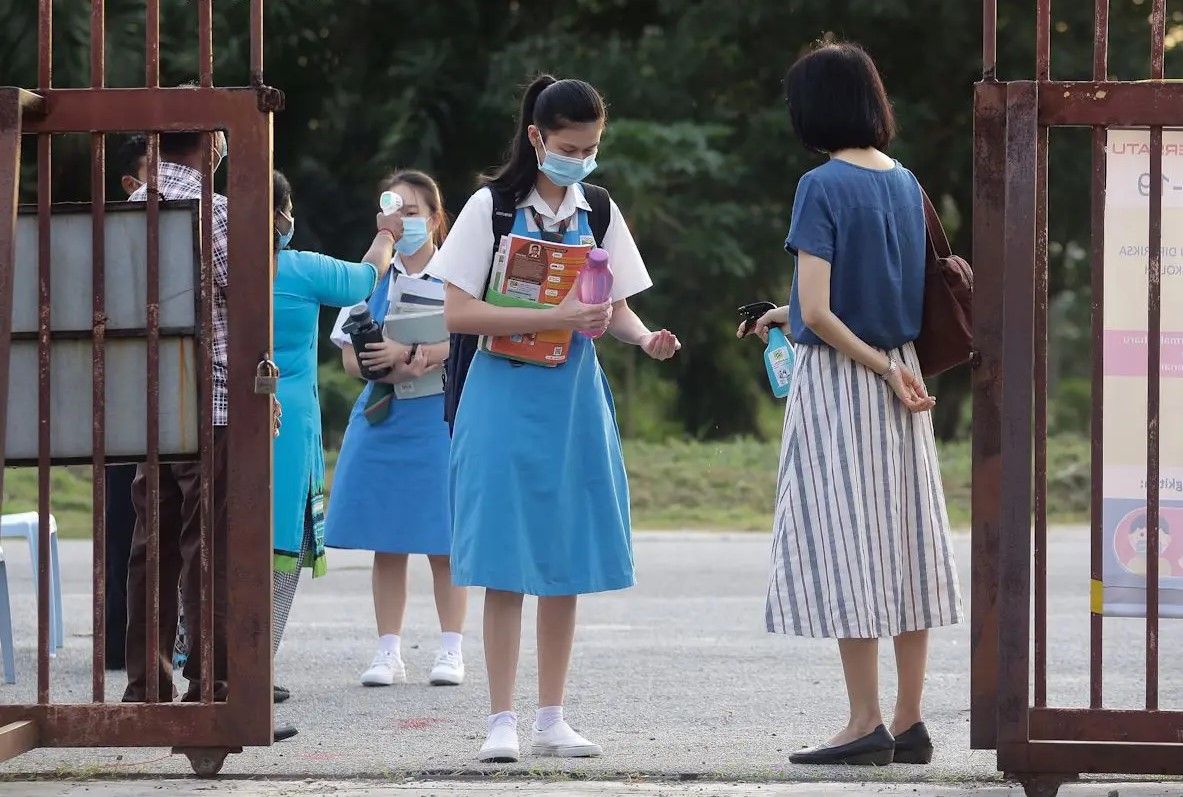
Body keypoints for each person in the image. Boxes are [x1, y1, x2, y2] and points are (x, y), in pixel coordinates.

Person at [429, 75, 680, 763]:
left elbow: (616, 306)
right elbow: (455, 312)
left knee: (564, 558)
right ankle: (500, 718)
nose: (581, 158)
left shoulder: (596, 208)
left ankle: (551, 715)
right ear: (536, 137)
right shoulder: (494, 207)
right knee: (506, 560)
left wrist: (643, 337)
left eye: (592, 146)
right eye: (569, 145)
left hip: (571, 396)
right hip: (503, 393)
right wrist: (555, 316)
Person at [738, 41, 961, 767]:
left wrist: (860, 360)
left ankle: (864, 721)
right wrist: (786, 314)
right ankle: (908, 717)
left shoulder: (820, 185)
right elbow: (846, 296)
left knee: (847, 546)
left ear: (813, 109)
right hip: (904, 376)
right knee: (904, 545)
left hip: (844, 381)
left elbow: (824, 313)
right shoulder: (904, 182)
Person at [270, 169, 402, 739]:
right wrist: (387, 233)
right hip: (287, 415)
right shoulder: (297, 268)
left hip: (216, 413)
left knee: (216, 538)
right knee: (279, 545)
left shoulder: (210, 264)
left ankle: (201, 659)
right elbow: (365, 278)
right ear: (279, 216)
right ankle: (250, 663)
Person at [325, 170, 467, 690]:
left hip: (438, 417)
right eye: (395, 210)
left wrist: (420, 354)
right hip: (383, 415)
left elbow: (471, 337)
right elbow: (347, 359)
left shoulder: (458, 277)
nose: (405, 221)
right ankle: (388, 651)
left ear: (435, 219)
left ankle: (451, 649)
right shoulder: (369, 276)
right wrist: (377, 359)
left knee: (443, 538)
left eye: (414, 211)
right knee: (387, 540)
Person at [123, 130, 237, 704]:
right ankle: (211, 687)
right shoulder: (215, 212)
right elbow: (246, 298)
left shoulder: (127, 211)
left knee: (153, 542)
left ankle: (146, 683)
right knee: (207, 543)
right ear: (211, 142)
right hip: (210, 401)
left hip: (144, 405)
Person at [105, 134, 148, 671]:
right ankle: (119, 639)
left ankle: (189, 644)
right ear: (130, 184)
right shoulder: (111, 240)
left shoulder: (205, 229)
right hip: (122, 404)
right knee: (123, 523)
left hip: (193, 402)